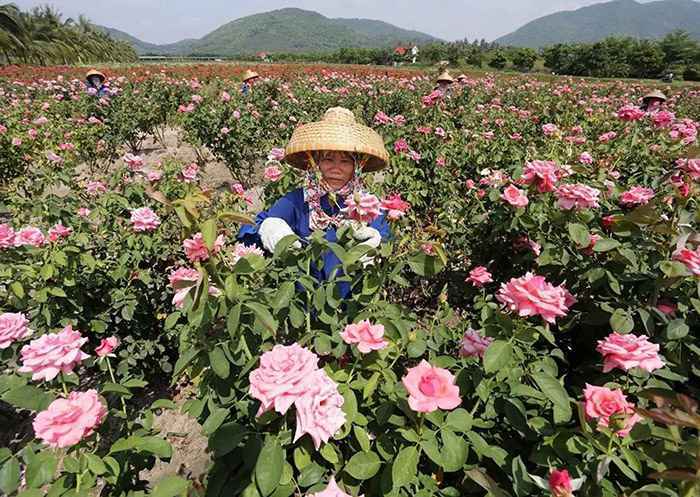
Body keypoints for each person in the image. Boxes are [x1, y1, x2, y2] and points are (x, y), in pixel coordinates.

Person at [237, 107, 391, 298]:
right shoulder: (298, 200)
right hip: (304, 301)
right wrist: (270, 228)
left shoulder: (368, 204)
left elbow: (384, 238)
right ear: (314, 163)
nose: (336, 168)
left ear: (357, 166)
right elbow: (252, 227)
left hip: (352, 301)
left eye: (345, 161)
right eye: (328, 159)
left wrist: (375, 240)